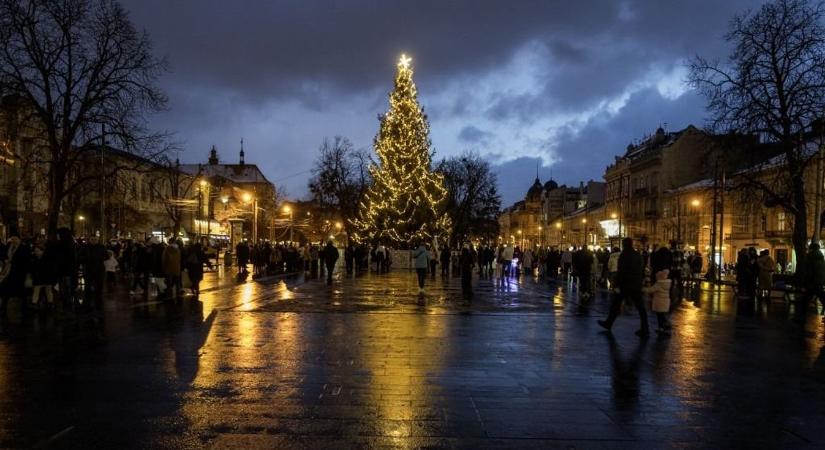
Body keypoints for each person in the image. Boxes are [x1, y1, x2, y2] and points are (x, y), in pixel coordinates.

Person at [598, 237, 650, 338]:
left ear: (624, 244)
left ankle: (609, 323)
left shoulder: (624, 255)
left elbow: (621, 271)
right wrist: (640, 281)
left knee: (616, 304)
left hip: (625, 284)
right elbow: (641, 269)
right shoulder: (638, 255)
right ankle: (645, 327)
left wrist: (616, 284)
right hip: (636, 284)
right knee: (641, 308)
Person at [645, 269, 672, 335]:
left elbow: (651, 290)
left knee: (660, 317)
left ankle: (665, 328)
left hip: (659, 303)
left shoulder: (659, 284)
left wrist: (643, 289)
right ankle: (663, 328)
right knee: (662, 316)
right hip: (665, 303)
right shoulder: (667, 284)